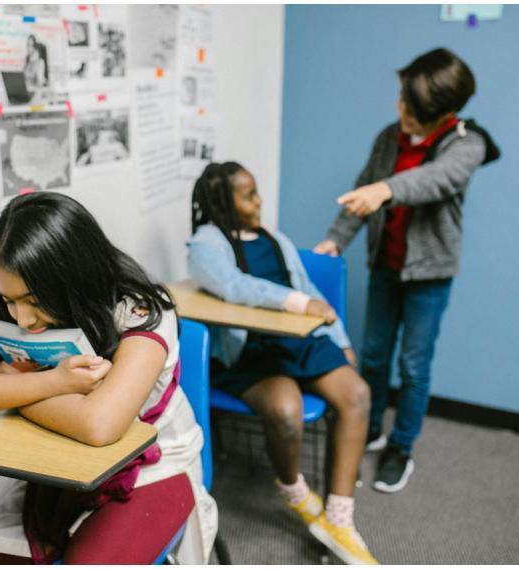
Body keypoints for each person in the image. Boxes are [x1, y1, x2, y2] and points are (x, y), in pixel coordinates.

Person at [0, 192, 218, 564]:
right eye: (9, 301)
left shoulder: (140, 309)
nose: (22, 319)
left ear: (72, 279)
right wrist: (55, 383)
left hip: (153, 464)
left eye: (32, 301)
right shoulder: (13, 297)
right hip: (52, 459)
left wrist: (5, 385)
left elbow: (99, 425)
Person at [314, 48, 500, 493]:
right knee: (374, 355)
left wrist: (385, 189)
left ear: (444, 114)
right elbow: (363, 192)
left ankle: (401, 447)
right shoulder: (389, 136)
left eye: (409, 106)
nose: (400, 110)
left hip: (430, 276)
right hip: (385, 267)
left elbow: (437, 180)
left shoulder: (466, 143)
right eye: (400, 98)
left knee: (414, 365)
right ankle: (372, 427)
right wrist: (336, 238)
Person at [188, 162, 378, 565]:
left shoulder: (274, 237)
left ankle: (339, 518)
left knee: (357, 394)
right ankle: (294, 491)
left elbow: (308, 291)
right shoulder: (205, 244)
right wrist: (295, 303)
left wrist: (340, 339)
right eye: (249, 194)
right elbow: (234, 287)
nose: (259, 201)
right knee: (286, 411)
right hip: (252, 352)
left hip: (301, 342)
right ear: (224, 202)